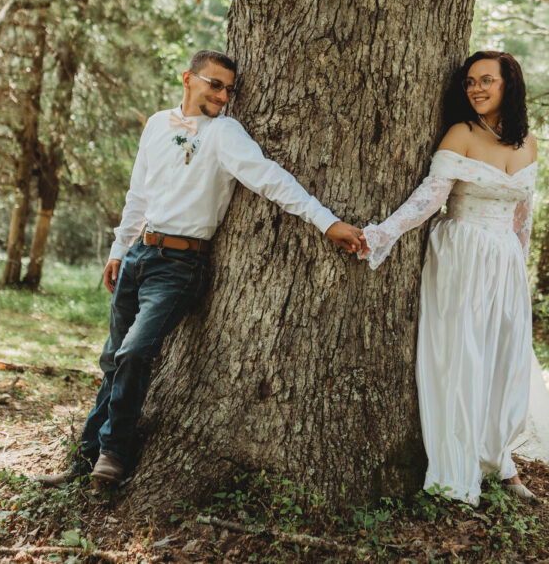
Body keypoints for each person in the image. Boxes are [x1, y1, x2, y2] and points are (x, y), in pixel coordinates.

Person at [36, 49, 362, 486]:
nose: (224, 95)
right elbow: (138, 196)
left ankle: (114, 454)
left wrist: (327, 222)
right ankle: (83, 460)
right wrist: (118, 250)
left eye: (229, 88)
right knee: (113, 359)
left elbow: (270, 178)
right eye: (216, 84)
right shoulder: (156, 124)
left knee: (135, 352)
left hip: (180, 264)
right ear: (188, 79)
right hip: (139, 256)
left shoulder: (225, 133)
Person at [358, 51, 549, 508]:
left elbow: (523, 215)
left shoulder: (528, 143)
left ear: (508, 85)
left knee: (503, 360)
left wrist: (520, 268)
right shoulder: (462, 133)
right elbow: (429, 198)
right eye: (470, 82)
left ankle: (499, 458)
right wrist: (381, 233)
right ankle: (456, 471)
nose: (476, 89)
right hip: (461, 252)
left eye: (486, 81)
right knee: (462, 356)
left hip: (505, 261)